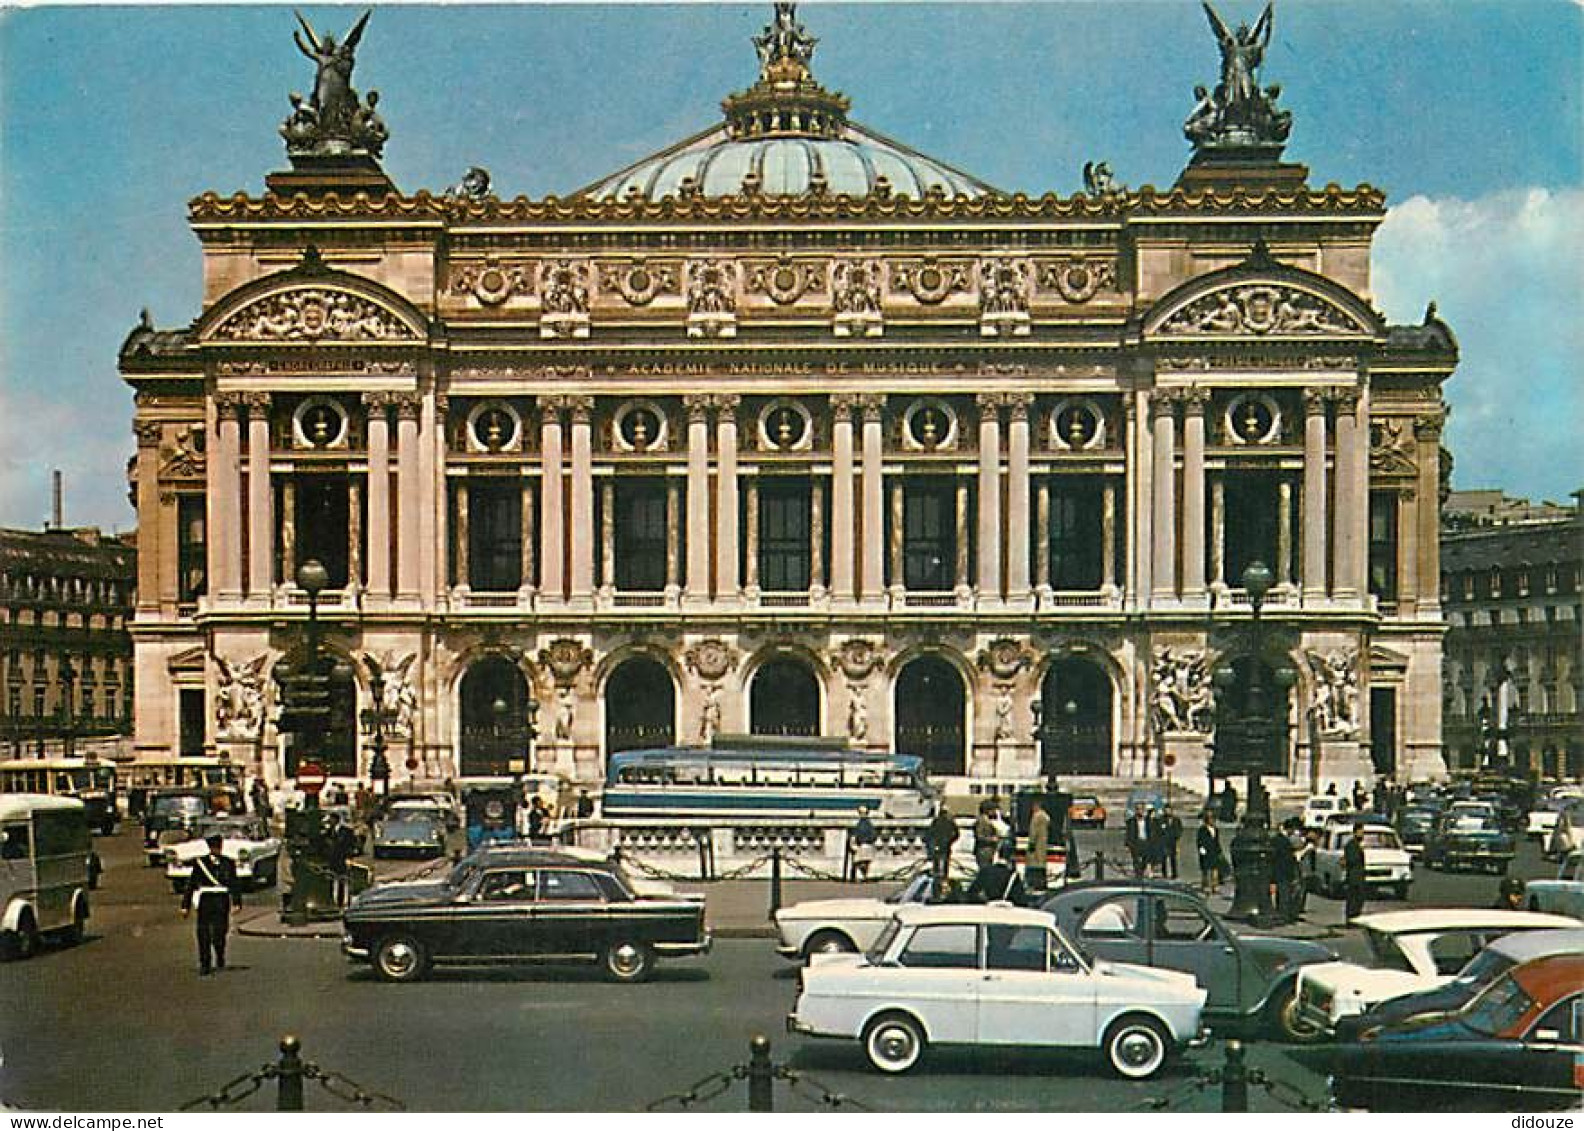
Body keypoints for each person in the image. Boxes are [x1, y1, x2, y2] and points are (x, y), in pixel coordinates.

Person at [180, 833, 240, 976]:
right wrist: (185, 905)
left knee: (220, 931)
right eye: (214, 847)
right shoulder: (201, 863)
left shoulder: (228, 863)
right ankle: (205, 963)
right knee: (203, 933)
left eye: (218, 847)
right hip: (206, 899)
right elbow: (191, 884)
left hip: (221, 899)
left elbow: (234, 883)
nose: (216, 849)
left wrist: (237, 901)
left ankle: (220, 954)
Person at [925, 808, 959, 898]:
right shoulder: (950, 822)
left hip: (938, 846)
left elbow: (929, 834)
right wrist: (950, 841)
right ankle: (943, 882)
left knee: (937, 866)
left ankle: (937, 884)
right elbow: (957, 834)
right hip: (945, 846)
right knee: (944, 867)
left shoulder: (936, 822)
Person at [1343, 821, 1369, 922]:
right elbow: (1352, 860)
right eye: (1360, 832)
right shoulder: (1351, 845)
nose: (1362, 834)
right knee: (1353, 899)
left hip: (1359, 876)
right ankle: (1351, 918)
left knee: (1359, 898)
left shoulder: (1357, 844)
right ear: (1355, 832)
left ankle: (1355, 916)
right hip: (1354, 876)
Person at [1025, 795, 1051, 895]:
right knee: (1041, 864)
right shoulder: (1045, 816)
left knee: (1034, 864)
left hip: (1036, 845)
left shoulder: (1036, 816)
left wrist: (1031, 843)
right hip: (1043, 843)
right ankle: (1042, 883)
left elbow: (1033, 831)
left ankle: (1035, 884)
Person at [1196, 811, 1225, 892]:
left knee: (1215, 870)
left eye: (1213, 819)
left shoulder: (1215, 829)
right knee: (1206, 871)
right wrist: (1201, 849)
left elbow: (1216, 841)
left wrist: (1219, 851)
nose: (1212, 821)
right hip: (1206, 852)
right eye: (1210, 819)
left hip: (1214, 852)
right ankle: (1205, 886)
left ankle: (1214, 886)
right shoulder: (1202, 829)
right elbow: (1199, 841)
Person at [1125, 803, 1154, 878]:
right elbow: (1128, 833)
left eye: (1141, 809)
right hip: (1136, 843)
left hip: (1146, 842)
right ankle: (1138, 875)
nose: (1140, 811)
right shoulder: (1131, 821)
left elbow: (1151, 831)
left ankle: (1143, 872)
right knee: (1136, 861)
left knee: (1146, 861)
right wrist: (1127, 845)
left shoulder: (1148, 821)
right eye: (1138, 809)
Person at [849, 807, 878, 880]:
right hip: (866, 844)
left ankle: (862, 875)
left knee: (861, 862)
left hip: (862, 845)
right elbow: (873, 835)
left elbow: (855, 835)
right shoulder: (868, 824)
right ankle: (864, 875)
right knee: (865, 862)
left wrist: (854, 842)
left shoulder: (861, 824)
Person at [973, 799, 1000, 874]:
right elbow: (979, 836)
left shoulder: (987, 820)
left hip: (987, 851)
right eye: (993, 810)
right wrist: (992, 839)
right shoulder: (982, 821)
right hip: (983, 851)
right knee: (985, 872)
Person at [1159, 805, 1184, 880]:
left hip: (1173, 841)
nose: (1167, 811)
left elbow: (1180, 829)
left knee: (1173, 858)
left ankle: (1174, 874)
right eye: (1166, 810)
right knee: (1164, 858)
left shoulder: (1176, 820)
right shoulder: (1161, 820)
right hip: (1164, 842)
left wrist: (1177, 837)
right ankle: (1164, 874)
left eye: (1169, 810)